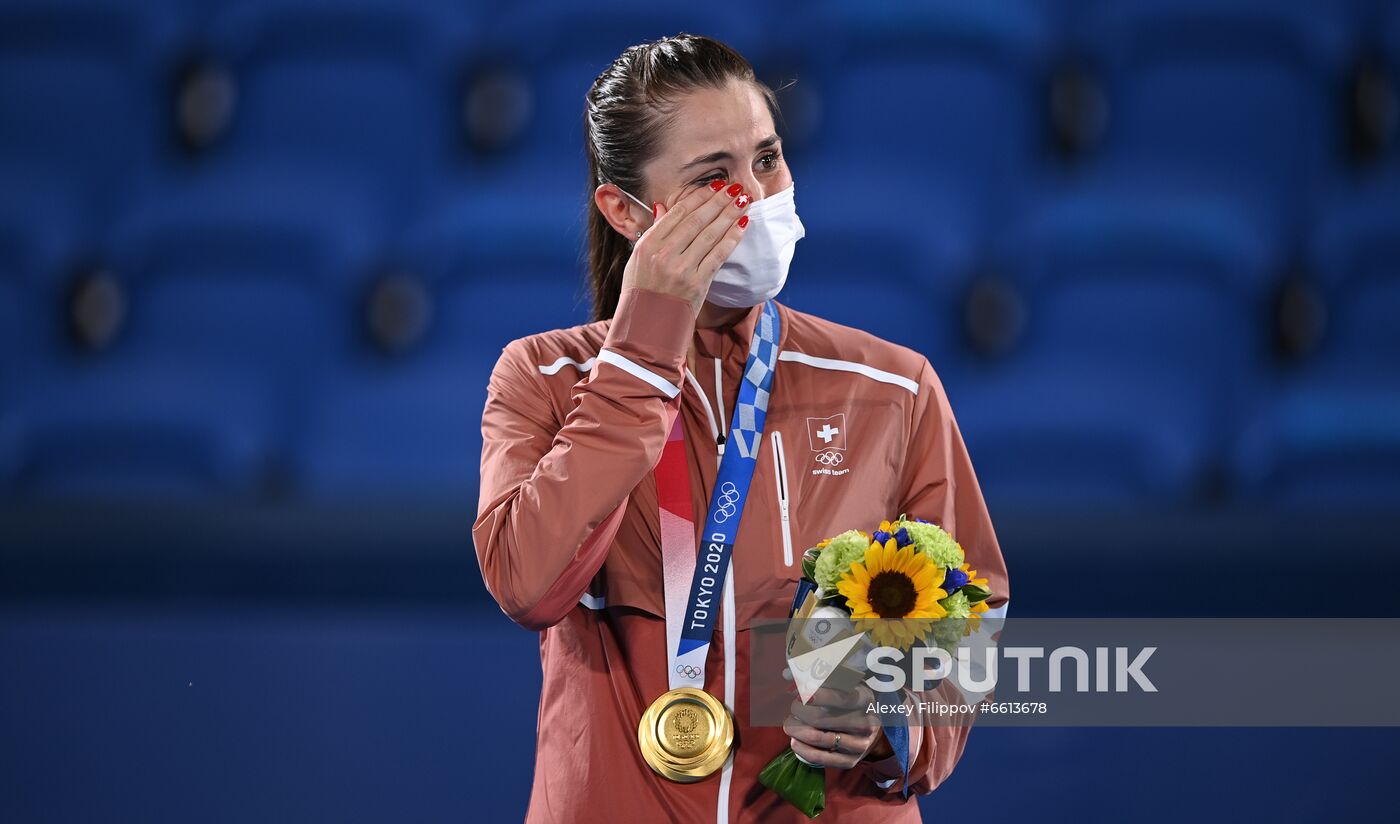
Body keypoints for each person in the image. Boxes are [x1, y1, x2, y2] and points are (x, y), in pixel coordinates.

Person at [473, 33, 1009, 823]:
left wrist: (896, 715)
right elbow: (527, 582)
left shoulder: (892, 386)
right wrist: (644, 359)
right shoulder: (546, 379)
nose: (755, 195)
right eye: (712, 177)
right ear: (625, 211)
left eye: (767, 158)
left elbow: (975, 611)